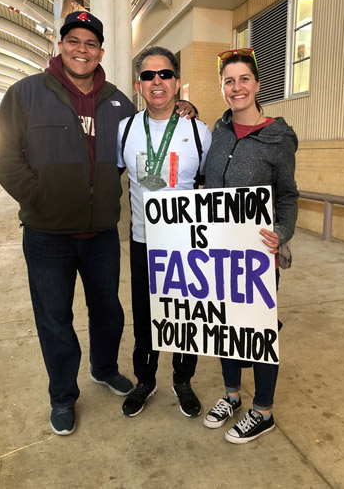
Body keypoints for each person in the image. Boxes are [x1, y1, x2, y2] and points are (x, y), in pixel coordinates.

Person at [0, 11, 195, 436]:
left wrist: (186, 107)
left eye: (90, 43)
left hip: (101, 232)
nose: (81, 49)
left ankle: (104, 369)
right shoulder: (26, 93)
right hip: (48, 235)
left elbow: (151, 132)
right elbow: (3, 154)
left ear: (101, 51)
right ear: (60, 45)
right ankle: (63, 396)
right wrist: (38, 197)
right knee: (54, 319)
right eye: (73, 40)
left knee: (108, 312)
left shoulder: (119, 102)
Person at [202, 48, 298, 443]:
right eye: (229, 81)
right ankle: (231, 395)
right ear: (222, 88)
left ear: (257, 85)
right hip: (218, 252)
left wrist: (282, 232)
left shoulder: (278, 136)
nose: (236, 87)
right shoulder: (218, 131)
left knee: (259, 330)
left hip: (258, 255)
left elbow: (289, 195)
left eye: (244, 79)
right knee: (225, 324)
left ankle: (263, 410)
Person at [117, 46, 212, 418]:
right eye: (148, 75)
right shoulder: (126, 130)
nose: (157, 81)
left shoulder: (198, 130)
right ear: (138, 84)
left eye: (165, 74)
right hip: (143, 243)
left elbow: (214, 187)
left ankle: (183, 380)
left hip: (186, 245)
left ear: (177, 83)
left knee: (185, 316)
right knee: (145, 315)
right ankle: (145, 379)